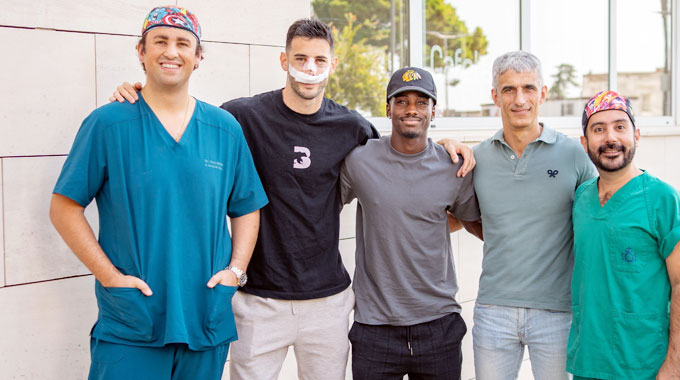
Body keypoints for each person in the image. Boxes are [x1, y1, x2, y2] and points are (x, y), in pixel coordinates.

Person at [110, 17, 475, 380]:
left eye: (319, 60)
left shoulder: (352, 128)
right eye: (300, 59)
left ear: (333, 65)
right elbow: (183, 117)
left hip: (327, 302)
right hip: (258, 298)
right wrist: (142, 95)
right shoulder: (241, 116)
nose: (309, 68)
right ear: (284, 61)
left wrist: (445, 146)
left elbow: (401, 150)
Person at [49, 6, 268, 380]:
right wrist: (109, 276)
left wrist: (236, 271)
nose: (171, 51)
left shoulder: (224, 129)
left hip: (204, 317)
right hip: (133, 321)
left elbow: (247, 207)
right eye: (160, 41)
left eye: (183, 43)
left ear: (198, 58)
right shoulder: (108, 124)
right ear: (141, 51)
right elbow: (64, 207)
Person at [462, 51, 597, 380]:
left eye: (528, 88)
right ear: (495, 96)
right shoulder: (477, 158)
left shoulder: (575, 155)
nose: (519, 99)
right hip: (494, 310)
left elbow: (597, 219)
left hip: (557, 311)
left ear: (543, 93)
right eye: (508, 89)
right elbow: (462, 215)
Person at [340, 67, 480, 380]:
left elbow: (472, 221)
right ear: (387, 109)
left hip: (438, 325)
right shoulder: (360, 160)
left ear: (434, 110)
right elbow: (319, 207)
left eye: (421, 101)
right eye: (401, 102)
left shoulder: (453, 165)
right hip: (375, 328)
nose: (411, 109)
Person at [567, 91, 680, 380]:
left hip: (644, 365)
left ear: (636, 135)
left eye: (620, 126)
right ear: (584, 142)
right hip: (588, 360)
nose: (610, 138)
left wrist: (674, 364)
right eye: (598, 129)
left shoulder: (664, 199)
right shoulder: (581, 198)